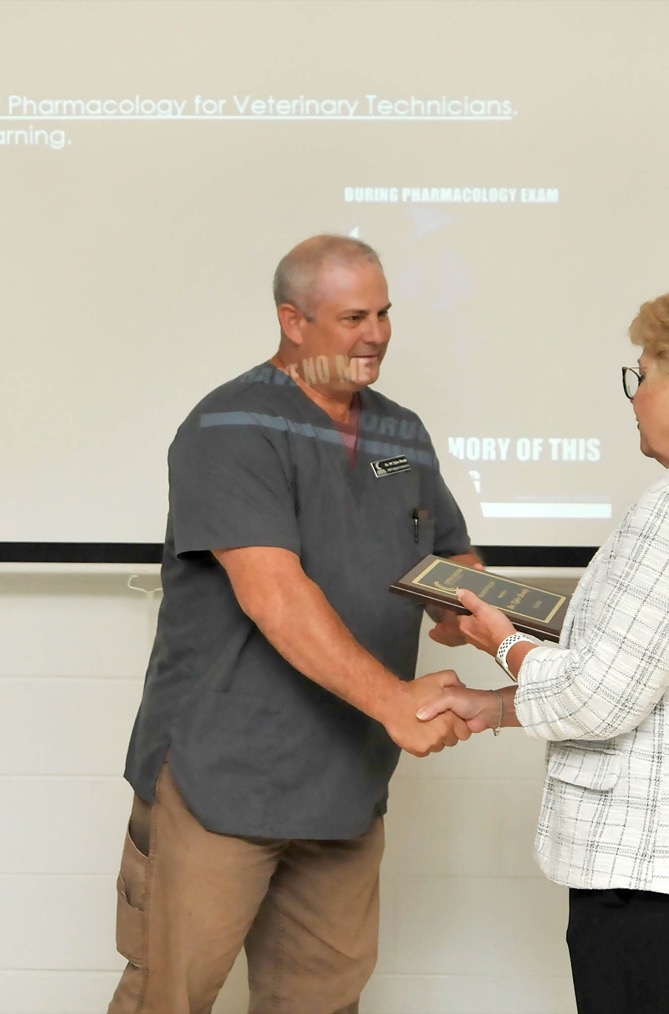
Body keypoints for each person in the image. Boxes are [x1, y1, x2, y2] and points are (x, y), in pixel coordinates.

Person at [418, 274, 669, 1014]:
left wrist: (502, 641)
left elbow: (597, 698)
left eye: (645, 376)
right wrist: (492, 707)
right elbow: (651, 670)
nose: (636, 396)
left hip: (663, 884)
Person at [108, 235, 479, 1013]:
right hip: (224, 780)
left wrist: (474, 612)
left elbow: (449, 556)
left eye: (383, 313)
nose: (375, 333)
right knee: (167, 997)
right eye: (352, 316)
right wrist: (397, 705)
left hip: (345, 785)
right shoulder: (231, 427)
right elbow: (275, 595)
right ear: (293, 321)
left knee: (321, 1003)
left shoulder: (400, 434)